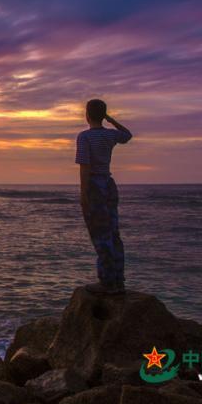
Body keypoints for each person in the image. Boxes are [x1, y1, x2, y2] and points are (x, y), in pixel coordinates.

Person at [75, 99, 132, 295]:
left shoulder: (84, 137)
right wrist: (109, 119)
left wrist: (83, 194)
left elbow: (85, 166)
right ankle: (118, 280)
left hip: (95, 186)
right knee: (113, 233)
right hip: (109, 185)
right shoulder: (110, 135)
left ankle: (107, 282)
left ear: (87, 116)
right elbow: (128, 135)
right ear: (103, 115)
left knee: (100, 235)